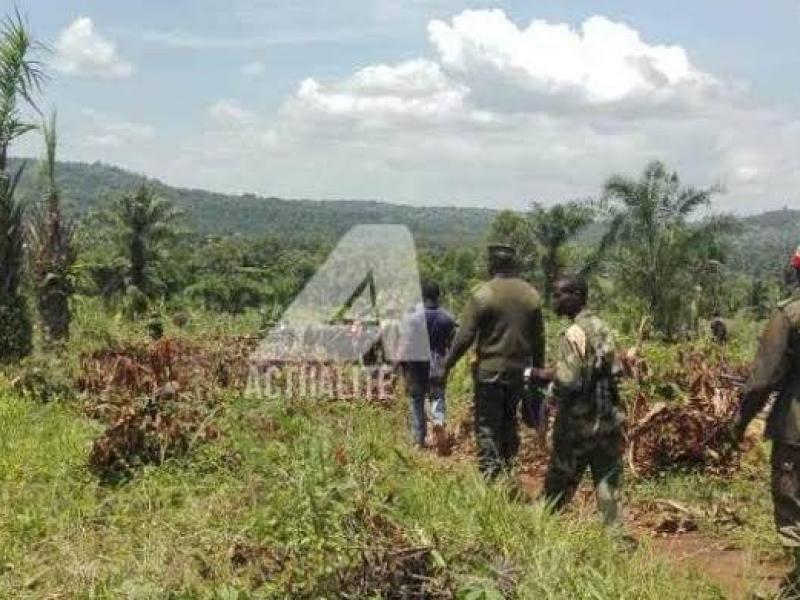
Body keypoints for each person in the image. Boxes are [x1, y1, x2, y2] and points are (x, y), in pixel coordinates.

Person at [729, 246, 800, 594]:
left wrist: (740, 421)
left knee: (792, 506)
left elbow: (763, 380)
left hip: (796, 429)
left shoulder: (789, 314)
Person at [444, 244, 545, 478]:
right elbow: (539, 339)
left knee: (488, 426)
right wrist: (538, 374)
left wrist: (447, 365)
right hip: (519, 373)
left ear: (492, 264)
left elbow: (465, 336)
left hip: (489, 373)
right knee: (510, 422)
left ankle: (490, 481)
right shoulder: (530, 294)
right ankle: (508, 472)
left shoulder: (483, 294)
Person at [537, 276, 625, 526]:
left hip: (576, 428)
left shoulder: (572, 333)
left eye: (559, 294)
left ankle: (543, 537)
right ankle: (616, 544)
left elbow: (568, 382)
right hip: (608, 423)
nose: (555, 299)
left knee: (556, 492)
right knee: (609, 491)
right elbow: (615, 372)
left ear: (576, 295)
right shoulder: (603, 327)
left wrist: (546, 399)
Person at [404, 282, 457, 448]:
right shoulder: (447, 318)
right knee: (437, 397)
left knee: (417, 401)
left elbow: (406, 343)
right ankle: (439, 421)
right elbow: (453, 343)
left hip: (416, 366)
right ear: (438, 295)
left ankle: (418, 440)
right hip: (437, 364)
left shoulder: (412, 319)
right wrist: (449, 362)